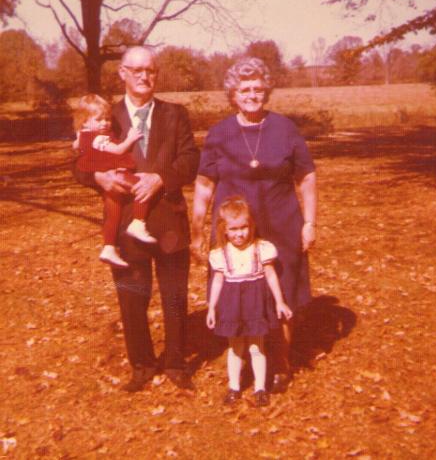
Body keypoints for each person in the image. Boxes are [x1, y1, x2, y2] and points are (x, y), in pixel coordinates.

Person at [74, 46, 200, 392]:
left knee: (175, 295)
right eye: (138, 70)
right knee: (132, 296)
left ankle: (176, 362)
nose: (145, 77)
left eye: (151, 70)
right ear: (123, 74)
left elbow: (190, 159)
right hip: (126, 222)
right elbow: (79, 163)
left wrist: (160, 178)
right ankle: (142, 365)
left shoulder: (175, 114)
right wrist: (98, 178)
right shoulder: (106, 116)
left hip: (169, 220)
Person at [191, 56, 317, 393]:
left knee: (284, 290)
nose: (251, 94)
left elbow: (306, 176)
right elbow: (204, 184)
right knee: (237, 290)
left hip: (282, 224)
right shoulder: (219, 133)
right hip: (235, 230)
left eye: (258, 88)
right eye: (244, 89)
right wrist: (197, 230)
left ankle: (281, 362)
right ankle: (240, 359)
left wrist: (309, 222)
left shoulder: (285, 128)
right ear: (232, 93)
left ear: (267, 91)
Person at [206, 196, 292, 407]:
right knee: (235, 347)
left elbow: (271, 276)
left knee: (256, 346)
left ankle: (260, 388)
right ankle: (234, 387)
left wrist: (280, 302)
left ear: (251, 225)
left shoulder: (261, 248)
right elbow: (217, 281)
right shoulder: (220, 254)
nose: (239, 233)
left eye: (243, 227)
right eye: (233, 229)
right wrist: (211, 308)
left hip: (255, 302)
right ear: (224, 230)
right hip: (232, 304)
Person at [73, 93, 156, 269]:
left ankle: (109, 247)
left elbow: (78, 148)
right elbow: (118, 150)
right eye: (99, 119)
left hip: (109, 176)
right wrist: (131, 138)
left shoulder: (84, 135)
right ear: (85, 121)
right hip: (114, 173)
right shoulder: (99, 137)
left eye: (107, 119)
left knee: (113, 212)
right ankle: (138, 222)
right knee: (142, 187)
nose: (105, 123)